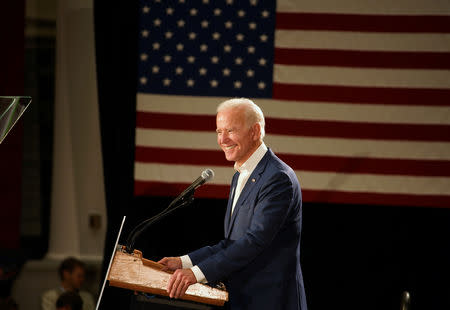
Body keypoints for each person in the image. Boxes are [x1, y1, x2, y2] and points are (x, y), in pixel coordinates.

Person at [158, 98, 307, 309]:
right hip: (243, 299)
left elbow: (254, 241)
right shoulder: (241, 174)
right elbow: (232, 243)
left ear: (255, 131)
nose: (223, 139)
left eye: (230, 130)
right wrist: (184, 262)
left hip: (272, 301)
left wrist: (197, 274)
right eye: (219, 132)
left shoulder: (278, 178)